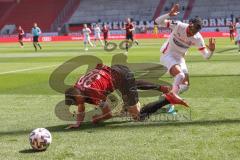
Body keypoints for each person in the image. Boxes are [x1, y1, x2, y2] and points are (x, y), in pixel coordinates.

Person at [65, 64, 188, 129]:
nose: (78, 105)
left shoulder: (93, 92)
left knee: (137, 116)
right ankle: (161, 88)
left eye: (76, 102)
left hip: (122, 78)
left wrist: (99, 119)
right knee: (130, 85)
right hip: (117, 70)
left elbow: (108, 114)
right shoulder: (78, 87)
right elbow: (81, 104)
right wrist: (78, 123)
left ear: (78, 94)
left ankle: (168, 99)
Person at [155, 4, 215, 111]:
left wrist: (211, 51)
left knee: (185, 85)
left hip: (179, 58)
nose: (195, 32)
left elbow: (206, 56)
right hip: (167, 54)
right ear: (190, 24)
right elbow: (157, 21)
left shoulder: (197, 38)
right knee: (180, 75)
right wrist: (169, 14)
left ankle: (169, 93)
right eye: (195, 28)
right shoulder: (179, 25)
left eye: (198, 30)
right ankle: (171, 103)